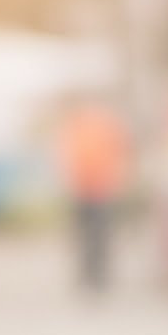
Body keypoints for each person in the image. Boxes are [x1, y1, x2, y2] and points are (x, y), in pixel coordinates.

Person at [56, 102, 130, 289]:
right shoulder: (79, 128)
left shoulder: (103, 127)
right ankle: (89, 275)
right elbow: (66, 156)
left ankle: (98, 275)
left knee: (97, 236)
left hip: (100, 189)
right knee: (87, 236)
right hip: (85, 189)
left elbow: (121, 153)